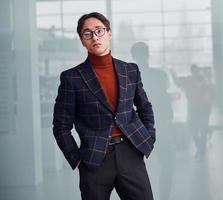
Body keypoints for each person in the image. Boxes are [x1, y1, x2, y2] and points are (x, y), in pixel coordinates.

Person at [52, 12, 155, 200]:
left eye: (99, 30)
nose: (95, 37)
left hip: (130, 152)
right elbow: (61, 126)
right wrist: (76, 160)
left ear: (109, 33)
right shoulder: (71, 78)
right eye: (87, 33)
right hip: (94, 159)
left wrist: (149, 137)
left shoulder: (130, 70)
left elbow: (145, 108)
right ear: (82, 41)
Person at [131, 42, 174, 200]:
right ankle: (163, 196)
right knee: (166, 165)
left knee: (137, 170)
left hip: (137, 130)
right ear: (148, 54)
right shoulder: (159, 75)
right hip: (160, 126)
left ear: (134, 56)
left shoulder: (128, 79)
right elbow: (166, 105)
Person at [171, 65, 214, 157]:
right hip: (200, 107)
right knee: (198, 127)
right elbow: (178, 83)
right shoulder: (191, 80)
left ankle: (201, 148)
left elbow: (212, 91)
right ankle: (200, 147)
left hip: (200, 107)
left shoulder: (201, 80)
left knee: (200, 127)